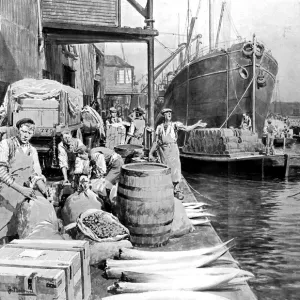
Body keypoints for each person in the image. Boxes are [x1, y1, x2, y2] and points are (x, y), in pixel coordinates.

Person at [0, 118, 48, 239]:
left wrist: (43, 187)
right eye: (24, 131)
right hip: (7, 192)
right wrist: (21, 189)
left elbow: (35, 174)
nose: (26, 135)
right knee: (3, 226)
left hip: (24, 194)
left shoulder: (32, 151)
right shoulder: (6, 144)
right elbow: (1, 172)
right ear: (18, 130)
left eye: (29, 133)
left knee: (21, 226)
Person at [149, 108, 207, 200]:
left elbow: (187, 129)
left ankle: (176, 191)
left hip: (173, 150)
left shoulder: (175, 125)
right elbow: (156, 142)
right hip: (163, 150)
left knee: (175, 170)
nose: (169, 114)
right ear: (163, 115)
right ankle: (167, 189)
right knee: (165, 169)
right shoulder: (159, 127)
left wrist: (197, 124)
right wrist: (150, 153)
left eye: (170, 113)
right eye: (167, 113)